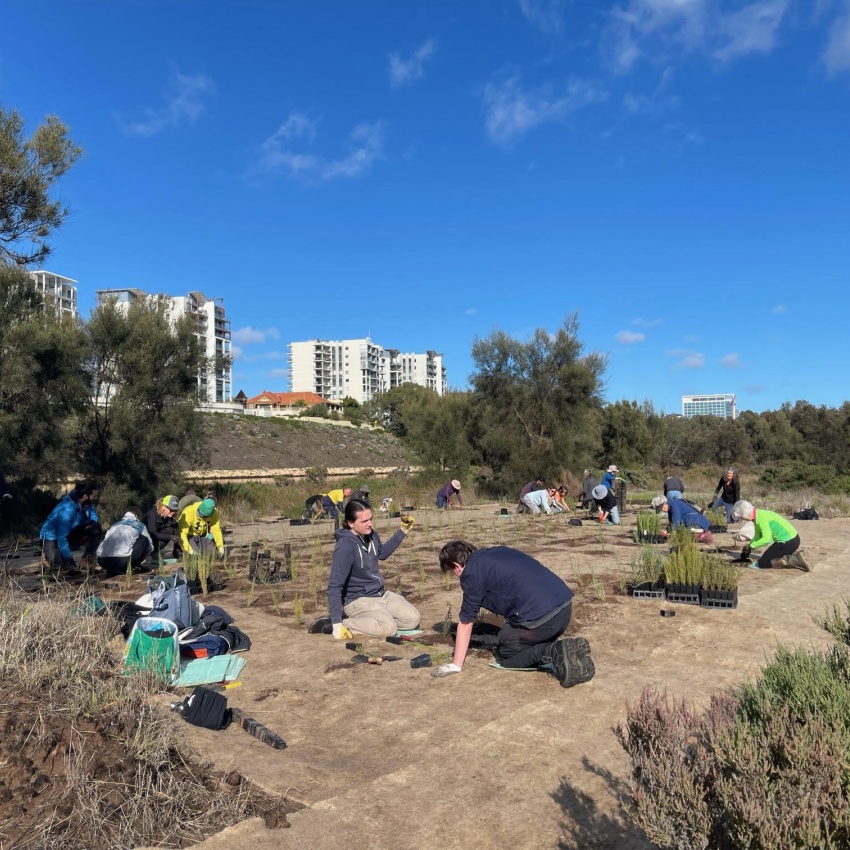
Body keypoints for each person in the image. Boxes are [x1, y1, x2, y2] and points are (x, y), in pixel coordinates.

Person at [433, 540, 594, 688]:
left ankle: (554, 651)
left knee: (506, 653)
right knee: (518, 633)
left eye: (452, 572)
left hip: (543, 619)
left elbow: (466, 622)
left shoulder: (471, 573)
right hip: (564, 608)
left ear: (457, 565)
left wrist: (456, 664)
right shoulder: (498, 551)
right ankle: (565, 652)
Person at [311, 500, 419, 638]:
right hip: (357, 599)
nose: (370, 524)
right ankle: (340, 623)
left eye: (370, 519)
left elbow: (383, 554)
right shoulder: (345, 546)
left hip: (379, 594)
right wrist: (337, 624)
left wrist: (402, 531)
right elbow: (334, 586)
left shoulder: (372, 535)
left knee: (412, 619)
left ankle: (372, 620)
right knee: (389, 629)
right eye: (364, 521)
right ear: (350, 523)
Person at [40, 479, 101, 574]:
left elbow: (93, 514)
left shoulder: (87, 503)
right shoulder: (67, 510)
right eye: (94, 496)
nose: (96, 498)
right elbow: (61, 538)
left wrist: (93, 522)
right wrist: (69, 558)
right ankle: (48, 559)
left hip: (71, 533)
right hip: (51, 538)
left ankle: (87, 560)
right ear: (85, 496)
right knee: (61, 568)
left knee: (95, 528)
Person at [731, 500, 809, 571]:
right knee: (766, 558)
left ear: (745, 514)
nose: (742, 519)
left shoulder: (761, 519)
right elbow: (758, 535)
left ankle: (793, 559)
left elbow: (766, 539)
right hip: (791, 539)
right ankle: (791, 554)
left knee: (763, 563)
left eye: (741, 517)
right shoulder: (758, 515)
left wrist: (751, 546)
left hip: (789, 541)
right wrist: (750, 545)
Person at [96, 507, 154, 576]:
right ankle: (133, 567)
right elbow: (150, 546)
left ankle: (113, 569)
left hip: (102, 561)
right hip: (123, 561)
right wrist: (141, 559)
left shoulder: (114, 525)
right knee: (144, 539)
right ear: (136, 516)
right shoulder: (139, 525)